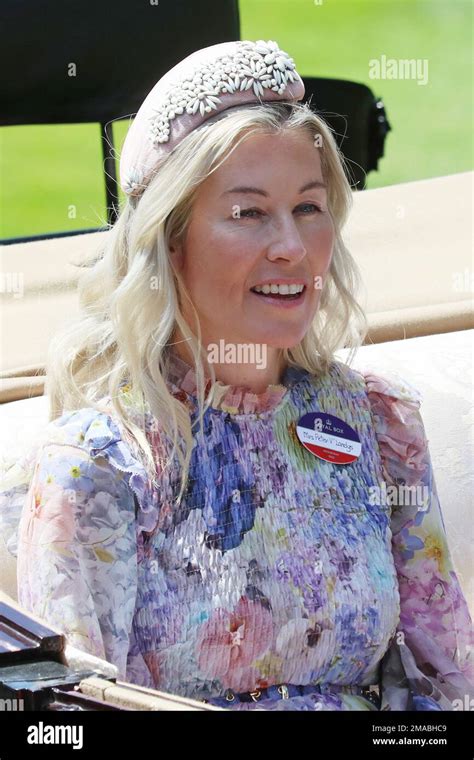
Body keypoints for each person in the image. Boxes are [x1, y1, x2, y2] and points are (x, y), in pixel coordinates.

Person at [0, 39, 472, 711]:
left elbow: (446, 681)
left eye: (308, 208)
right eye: (249, 213)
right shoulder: (96, 469)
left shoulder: (380, 424)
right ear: (171, 239)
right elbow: (66, 718)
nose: (291, 247)